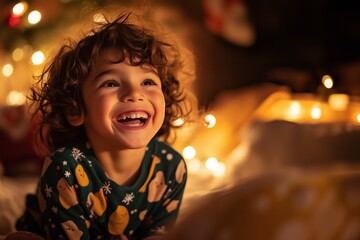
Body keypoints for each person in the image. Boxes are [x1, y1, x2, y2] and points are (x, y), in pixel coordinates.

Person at [15, 9, 194, 240]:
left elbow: (159, 234)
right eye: (111, 83)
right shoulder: (66, 169)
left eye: (148, 81)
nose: (134, 94)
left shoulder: (172, 169)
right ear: (75, 109)